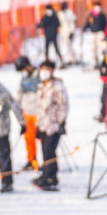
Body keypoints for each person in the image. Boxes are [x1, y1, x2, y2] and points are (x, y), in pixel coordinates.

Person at [34, 60, 69, 191]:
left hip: (53, 125)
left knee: (50, 151)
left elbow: (63, 105)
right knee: (45, 151)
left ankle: (50, 177)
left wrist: (61, 122)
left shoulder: (58, 86)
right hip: (43, 124)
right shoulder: (41, 86)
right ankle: (46, 174)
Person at [14, 56, 40, 171]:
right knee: (29, 138)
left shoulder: (39, 76)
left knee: (42, 138)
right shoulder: (23, 79)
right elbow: (20, 93)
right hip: (27, 112)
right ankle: (31, 160)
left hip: (38, 112)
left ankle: (47, 161)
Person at [84, 3, 107, 68]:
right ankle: (95, 62)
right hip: (92, 33)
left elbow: (106, 24)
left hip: (100, 33)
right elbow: (88, 23)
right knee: (93, 49)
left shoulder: (102, 15)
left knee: (101, 47)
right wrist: (83, 29)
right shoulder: (91, 15)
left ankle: (103, 62)